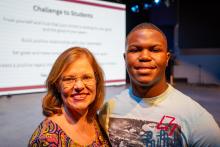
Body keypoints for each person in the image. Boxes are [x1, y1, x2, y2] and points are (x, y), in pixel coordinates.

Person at [99, 23, 220, 146]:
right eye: (135, 50)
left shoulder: (197, 118)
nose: (145, 56)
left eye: (155, 50)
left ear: (167, 58)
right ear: (125, 58)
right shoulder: (109, 109)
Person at [28, 47, 109, 146]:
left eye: (86, 77)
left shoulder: (98, 120)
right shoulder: (45, 140)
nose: (79, 86)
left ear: (97, 81)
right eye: (69, 79)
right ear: (57, 85)